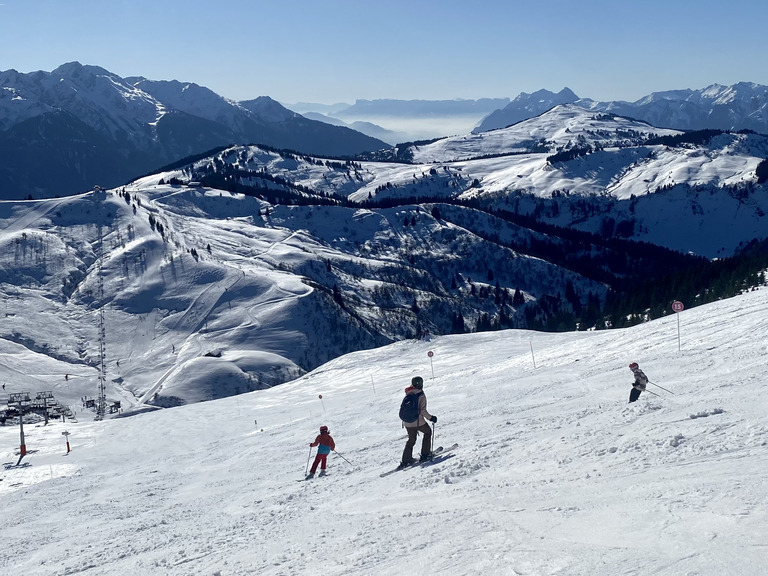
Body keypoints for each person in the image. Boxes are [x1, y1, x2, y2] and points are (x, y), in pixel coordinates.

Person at [401, 376, 437, 467]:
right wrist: (431, 418)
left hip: (407, 422)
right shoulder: (421, 395)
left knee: (411, 440)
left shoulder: (408, 393)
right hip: (418, 422)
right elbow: (422, 411)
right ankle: (425, 454)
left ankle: (406, 459)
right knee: (428, 432)